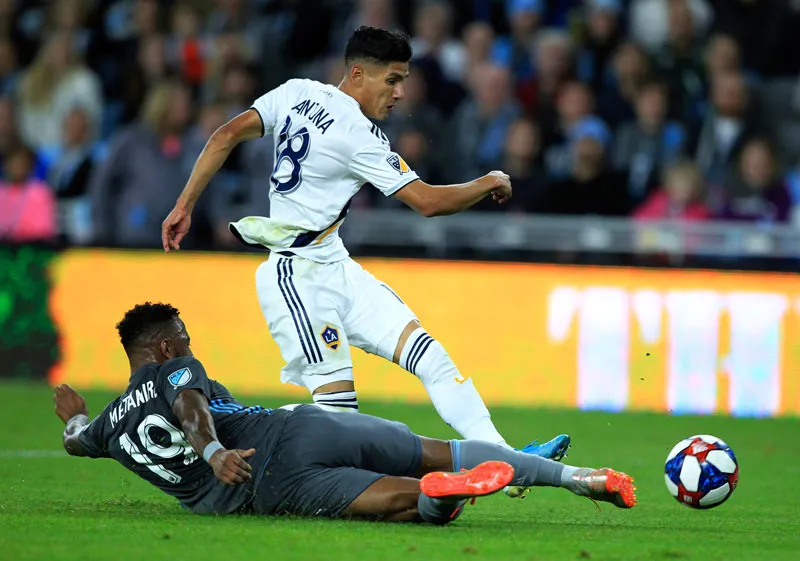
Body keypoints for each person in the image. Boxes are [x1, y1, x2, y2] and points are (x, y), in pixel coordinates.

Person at [161, 25, 570, 500]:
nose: (400, 93)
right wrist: (488, 181)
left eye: (403, 81)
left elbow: (226, 134)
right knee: (342, 420)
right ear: (357, 73)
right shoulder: (359, 136)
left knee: (431, 357)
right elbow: (427, 202)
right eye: (392, 80)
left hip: (336, 264)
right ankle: (274, 469)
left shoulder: (296, 92)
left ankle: (505, 462)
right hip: (296, 278)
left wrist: (184, 204)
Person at [53, 302, 637, 523]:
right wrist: (213, 448)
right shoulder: (173, 370)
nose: (189, 342)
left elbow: (77, 441)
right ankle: (577, 478)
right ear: (163, 348)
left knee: (400, 499)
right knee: (440, 449)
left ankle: (438, 498)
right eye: (183, 336)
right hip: (293, 427)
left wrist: (73, 418)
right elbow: (188, 406)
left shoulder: (106, 427)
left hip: (271, 491)